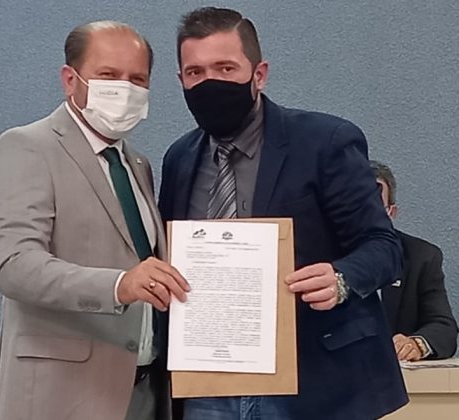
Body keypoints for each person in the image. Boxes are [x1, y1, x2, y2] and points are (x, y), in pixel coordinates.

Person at [159, 7, 408, 420]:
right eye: (195, 72)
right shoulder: (179, 159)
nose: (209, 83)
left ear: (259, 74)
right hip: (208, 384)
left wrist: (341, 278)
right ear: (181, 79)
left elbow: (384, 246)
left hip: (315, 381)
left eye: (225, 68)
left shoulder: (325, 141)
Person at [0, 21, 190, 420]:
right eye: (108, 76)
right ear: (70, 80)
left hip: (144, 390)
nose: (124, 89)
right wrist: (118, 285)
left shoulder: (137, 164)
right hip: (62, 395)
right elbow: (15, 267)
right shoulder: (27, 148)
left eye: (137, 79)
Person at [370, 160, 458, 361]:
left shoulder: (421, 257)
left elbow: (444, 328)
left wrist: (417, 344)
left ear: (391, 213)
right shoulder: (320, 256)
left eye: (375, 207)